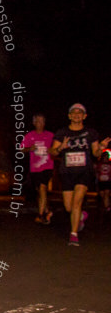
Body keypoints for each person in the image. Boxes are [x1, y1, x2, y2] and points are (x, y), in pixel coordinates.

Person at [49, 103, 109, 246]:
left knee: (77, 203)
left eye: (80, 112)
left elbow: (95, 153)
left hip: (84, 172)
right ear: (69, 116)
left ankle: (74, 234)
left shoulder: (91, 133)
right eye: (74, 112)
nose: (76, 114)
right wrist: (60, 148)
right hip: (67, 172)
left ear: (84, 116)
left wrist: (100, 148)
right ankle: (81, 216)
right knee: (69, 207)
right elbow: (52, 151)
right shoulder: (62, 132)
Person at [20, 113, 55, 224]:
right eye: (38, 121)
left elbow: (57, 148)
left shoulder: (50, 135)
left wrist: (53, 150)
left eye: (42, 121)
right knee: (39, 191)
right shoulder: (30, 136)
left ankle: (40, 215)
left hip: (47, 166)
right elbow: (21, 149)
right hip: (35, 168)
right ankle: (47, 210)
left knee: (43, 188)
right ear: (34, 123)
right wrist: (30, 148)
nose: (40, 123)